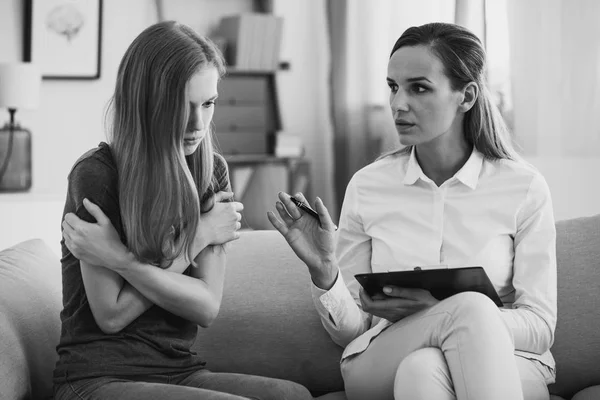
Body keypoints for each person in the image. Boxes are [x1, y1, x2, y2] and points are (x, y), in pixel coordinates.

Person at [268, 22, 556, 400]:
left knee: (424, 369)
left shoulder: (523, 187)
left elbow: (539, 326)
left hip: (513, 361)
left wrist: (442, 312)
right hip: (380, 359)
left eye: (418, 88)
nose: (397, 104)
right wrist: (324, 271)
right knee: (465, 311)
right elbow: (353, 330)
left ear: (466, 96)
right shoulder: (369, 185)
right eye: (393, 87)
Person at [53, 21, 313, 400]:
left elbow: (206, 306)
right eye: (181, 105)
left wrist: (122, 261)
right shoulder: (95, 175)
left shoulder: (211, 171)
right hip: (96, 377)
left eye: (208, 103)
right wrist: (200, 235)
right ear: (147, 103)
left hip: (178, 369)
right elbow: (111, 315)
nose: (197, 124)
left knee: (294, 396)